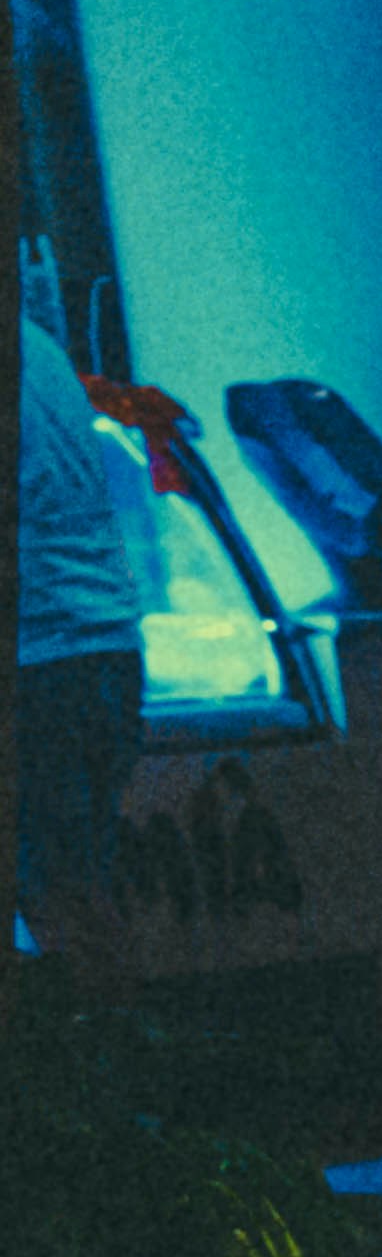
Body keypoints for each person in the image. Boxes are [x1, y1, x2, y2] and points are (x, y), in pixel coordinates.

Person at [15, 297, 159, 972]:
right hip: (102, 646)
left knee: (53, 890)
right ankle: (120, 1026)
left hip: (38, 656)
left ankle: (108, 1033)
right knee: (80, 881)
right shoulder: (36, 344)